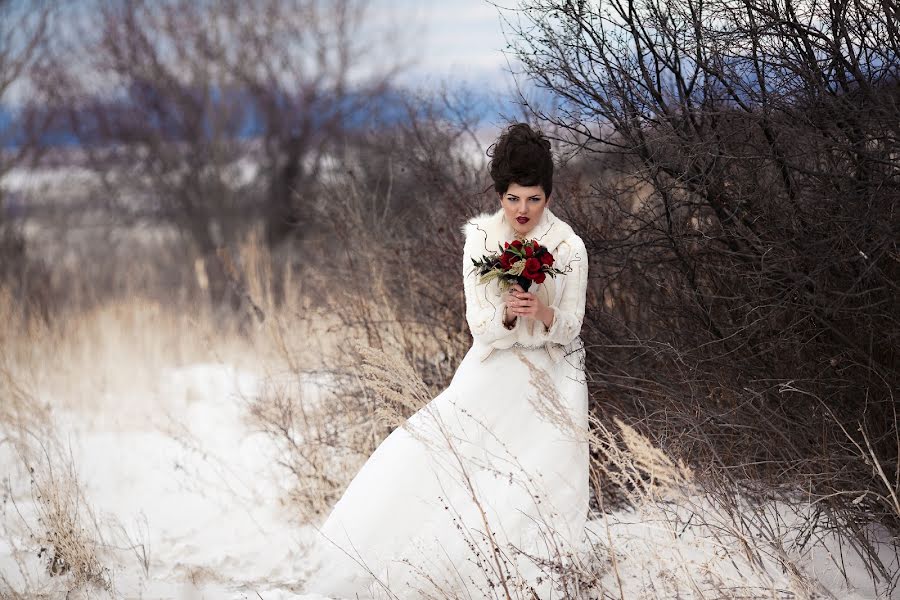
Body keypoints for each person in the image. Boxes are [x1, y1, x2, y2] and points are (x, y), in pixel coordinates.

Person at [301, 123, 590, 599]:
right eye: (513, 198)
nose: (522, 210)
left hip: (556, 375)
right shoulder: (480, 238)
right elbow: (479, 324)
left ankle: (541, 582)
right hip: (495, 365)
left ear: (548, 196)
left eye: (534, 199)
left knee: (549, 477)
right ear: (500, 194)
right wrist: (507, 315)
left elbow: (573, 324)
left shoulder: (569, 246)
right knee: (452, 461)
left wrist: (542, 311)